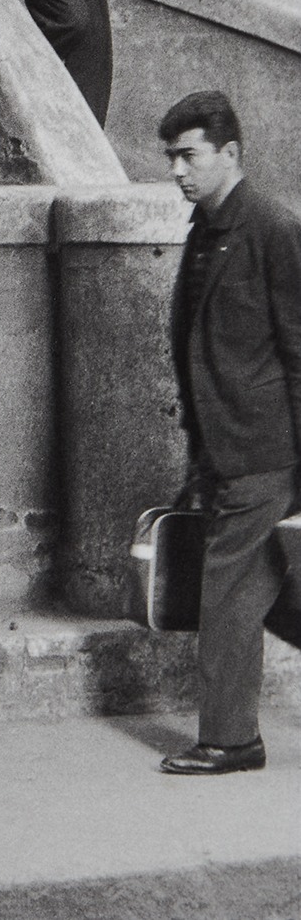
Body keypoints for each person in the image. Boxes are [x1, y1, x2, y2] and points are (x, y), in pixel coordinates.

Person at [158, 91, 301, 775]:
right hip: (223, 450)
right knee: (262, 595)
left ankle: (230, 739)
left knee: (229, 594)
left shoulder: (272, 227)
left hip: (264, 449)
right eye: (172, 157)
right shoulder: (204, 230)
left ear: (231, 153)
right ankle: (232, 734)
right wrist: (198, 455)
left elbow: (300, 352)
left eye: (189, 155)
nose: (178, 170)